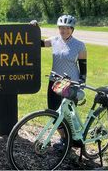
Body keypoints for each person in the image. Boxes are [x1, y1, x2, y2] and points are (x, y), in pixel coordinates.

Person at [31, 14, 87, 147]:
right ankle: (64, 139)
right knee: (53, 111)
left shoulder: (79, 45)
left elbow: (83, 68)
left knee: (67, 115)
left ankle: (72, 140)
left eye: (67, 28)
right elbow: (38, 43)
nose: (64, 31)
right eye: (61, 28)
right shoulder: (54, 40)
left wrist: (81, 84)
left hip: (71, 84)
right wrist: (34, 28)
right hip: (55, 81)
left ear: (72, 29)